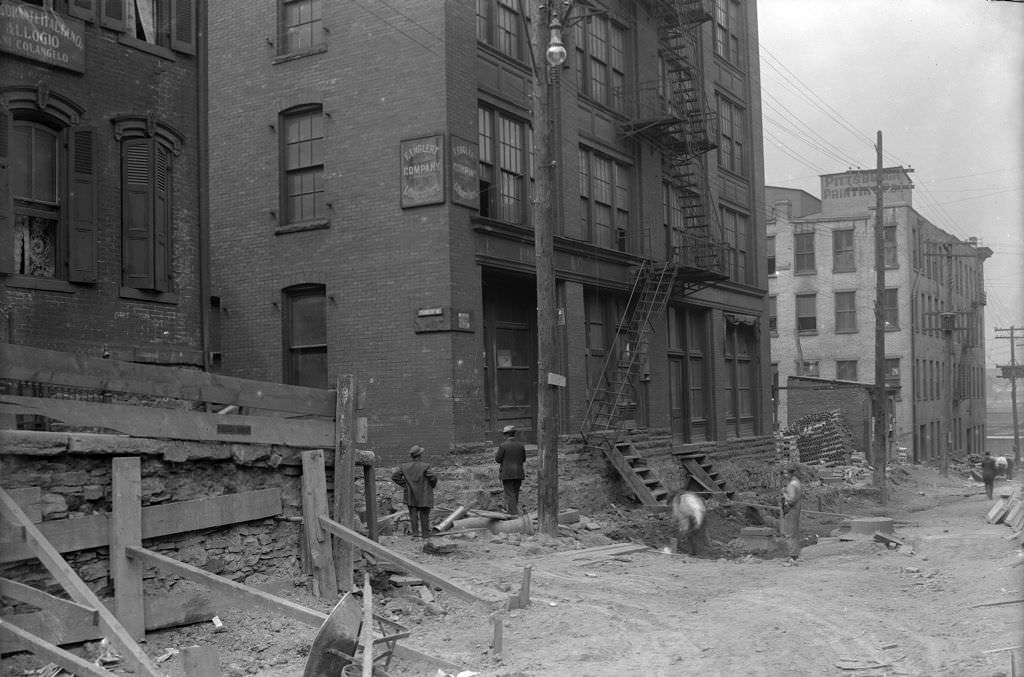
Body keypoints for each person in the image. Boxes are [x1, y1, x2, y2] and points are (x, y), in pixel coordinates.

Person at [391, 445, 438, 538]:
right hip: (424, 496)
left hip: (411, 496)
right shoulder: (425, 466)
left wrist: (405, 485)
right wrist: (431, 486)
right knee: (424, 516)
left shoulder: (404, 466)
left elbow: (394, 476)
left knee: (413, 516)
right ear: (420, 455)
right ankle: (425, 535)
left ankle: (415, 535)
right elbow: (433, 477)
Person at [495, 425, 526, 515]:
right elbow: (523, 459)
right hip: (519, 473)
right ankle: (513, 511)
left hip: (507, 473)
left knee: (509, 494)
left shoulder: (503, 446)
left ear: (506, 435)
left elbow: (498, 459)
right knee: (515, 493)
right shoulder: (521, 446)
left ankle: (513, 513)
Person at [780, 464, 803, 566]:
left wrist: (784, 493)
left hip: (791, 510)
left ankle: (792, 556)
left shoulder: (792, 485)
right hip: (796, 510)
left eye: (786, 473)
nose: (784, 475)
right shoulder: (797, 482)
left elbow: (791, 499)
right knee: (794, 532)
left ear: (790, 473)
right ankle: (795, 554)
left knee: (789, 533)